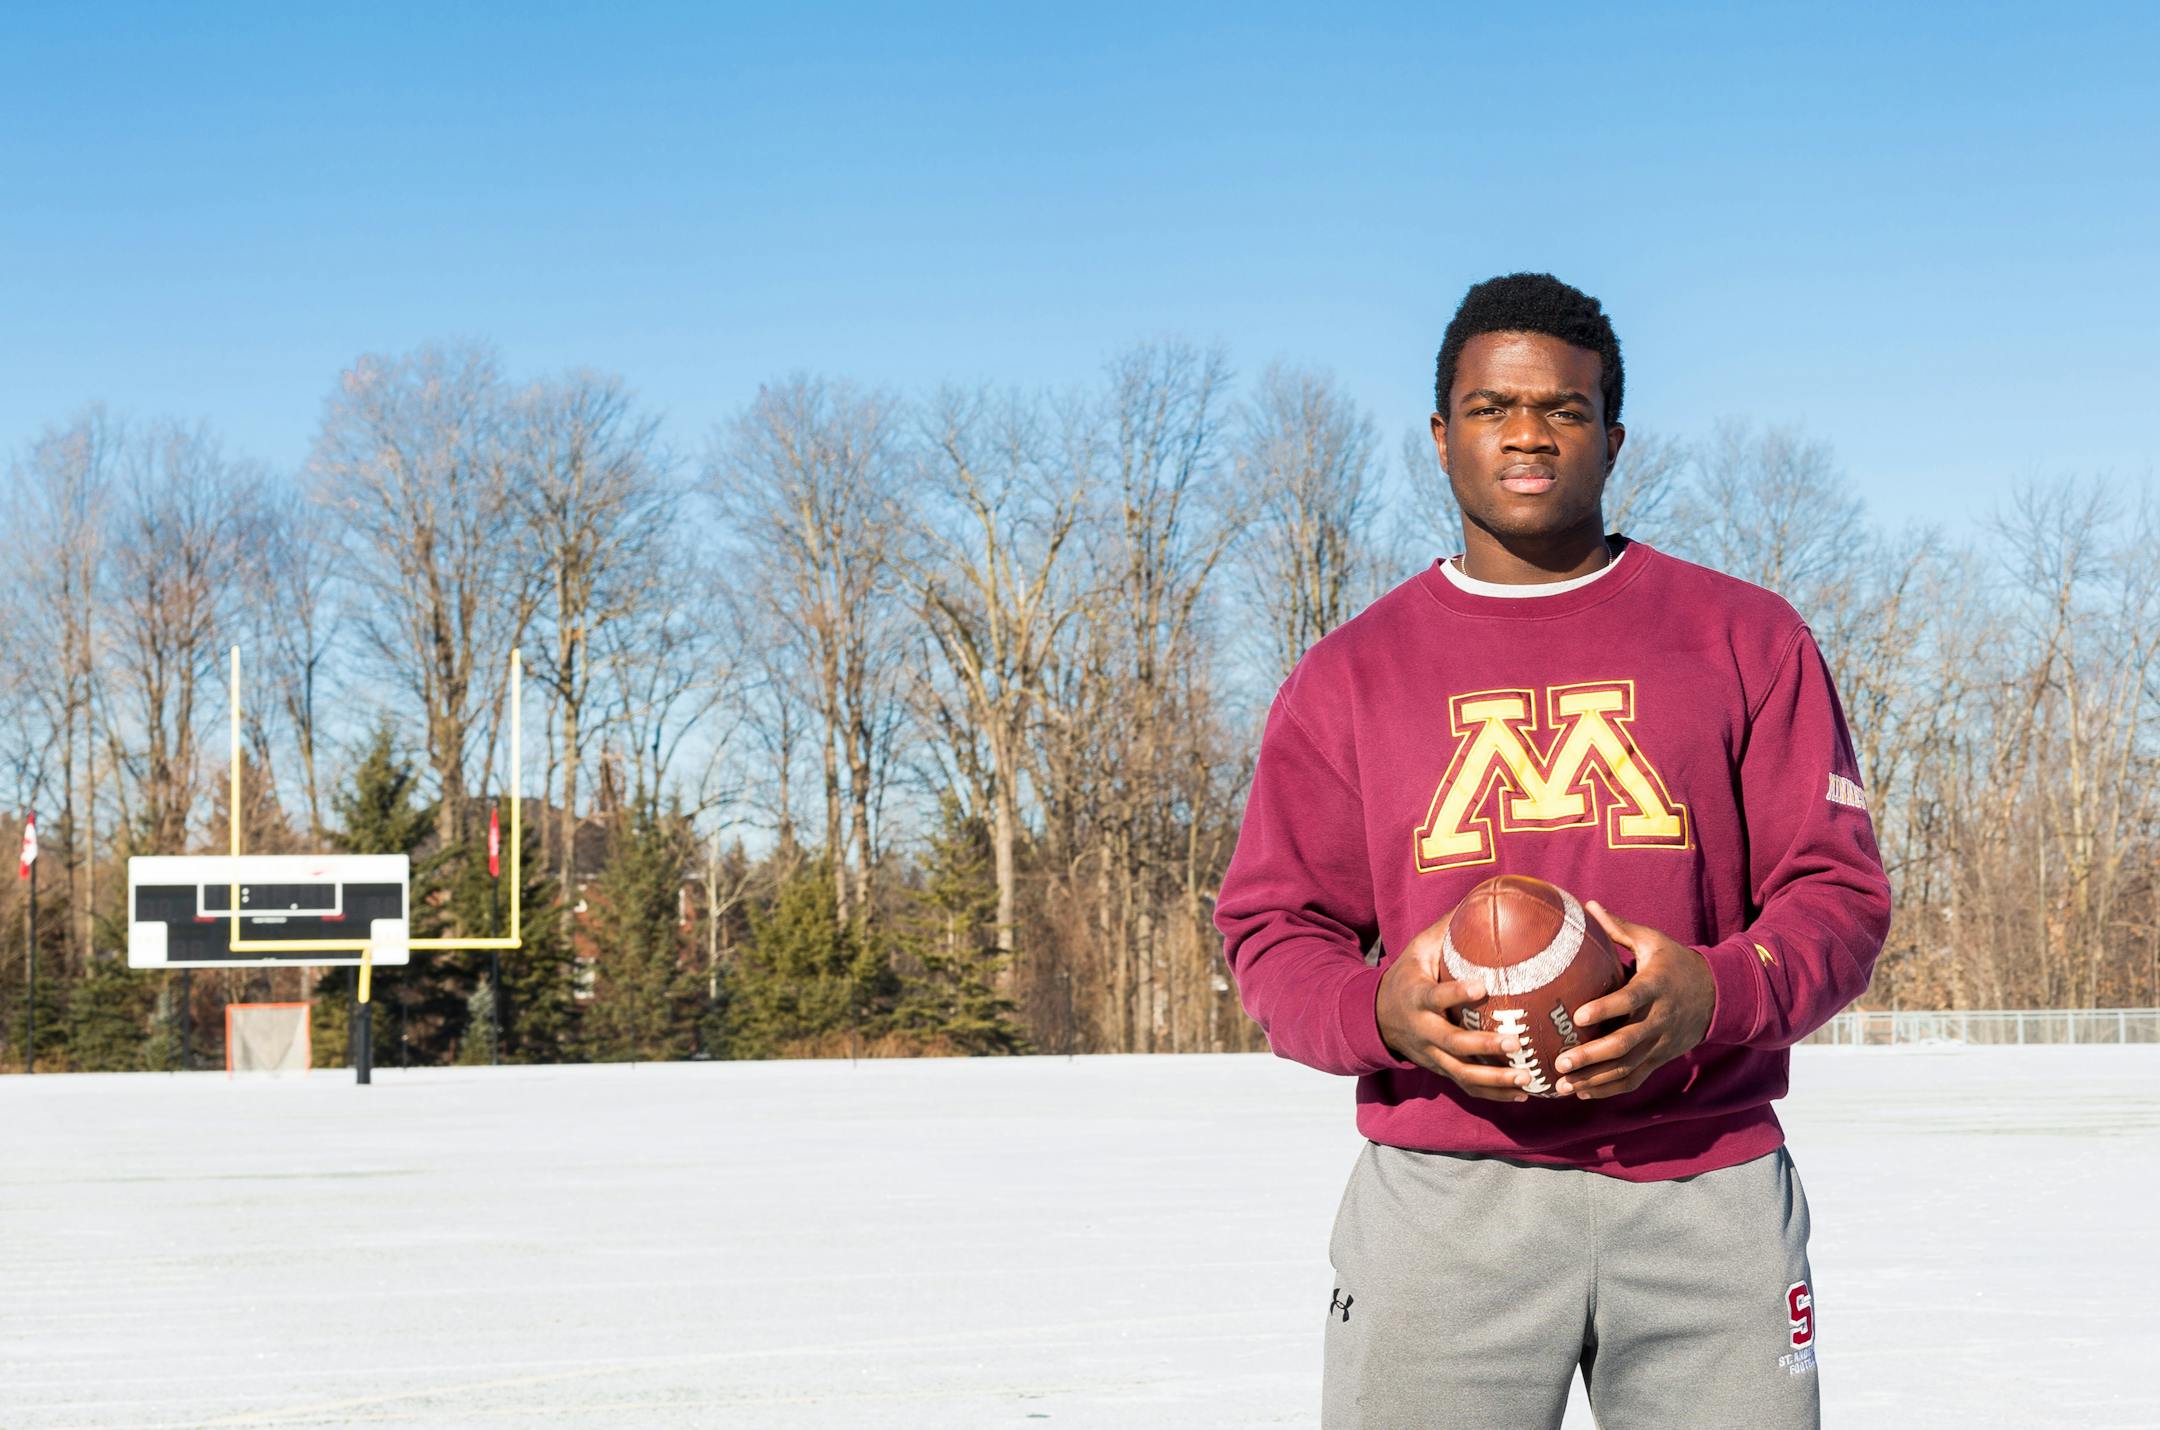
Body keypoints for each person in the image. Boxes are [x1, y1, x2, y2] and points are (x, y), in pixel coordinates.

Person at [1214, 272, 1890, 1429]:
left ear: (1613, 438)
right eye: (1491, 407)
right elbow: (1273, 927)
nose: (1527, 433)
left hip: (1706, 1181)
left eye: (1564, 409)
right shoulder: (1349, 673)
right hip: (1444, 1194)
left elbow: (1838, 894)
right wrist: (1382, 1013)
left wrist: (1716, 992)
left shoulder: (1746, 635)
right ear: (1441, 435)